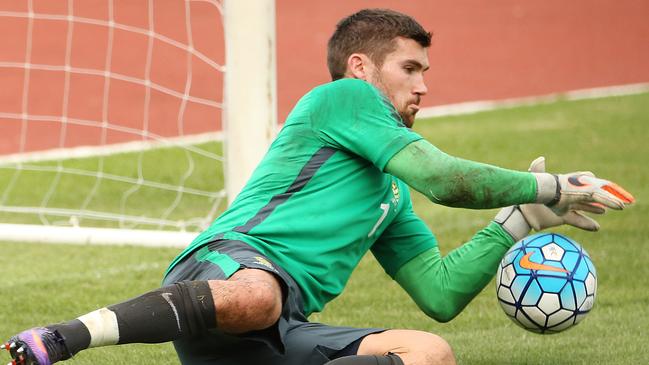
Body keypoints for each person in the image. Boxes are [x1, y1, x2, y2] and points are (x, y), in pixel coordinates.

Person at [3, 8, 634, 365]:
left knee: (429, 351)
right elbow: (443, 178)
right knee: (260, 296)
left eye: (426, 72)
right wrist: (552, 183)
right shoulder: (345, 98)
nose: (423, 85)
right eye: (410, 68)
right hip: (224, 274)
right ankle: (62, 338)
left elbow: (439, 293)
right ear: (363, 67)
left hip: (276, 335)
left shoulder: (389, 198)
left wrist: (522, 218)